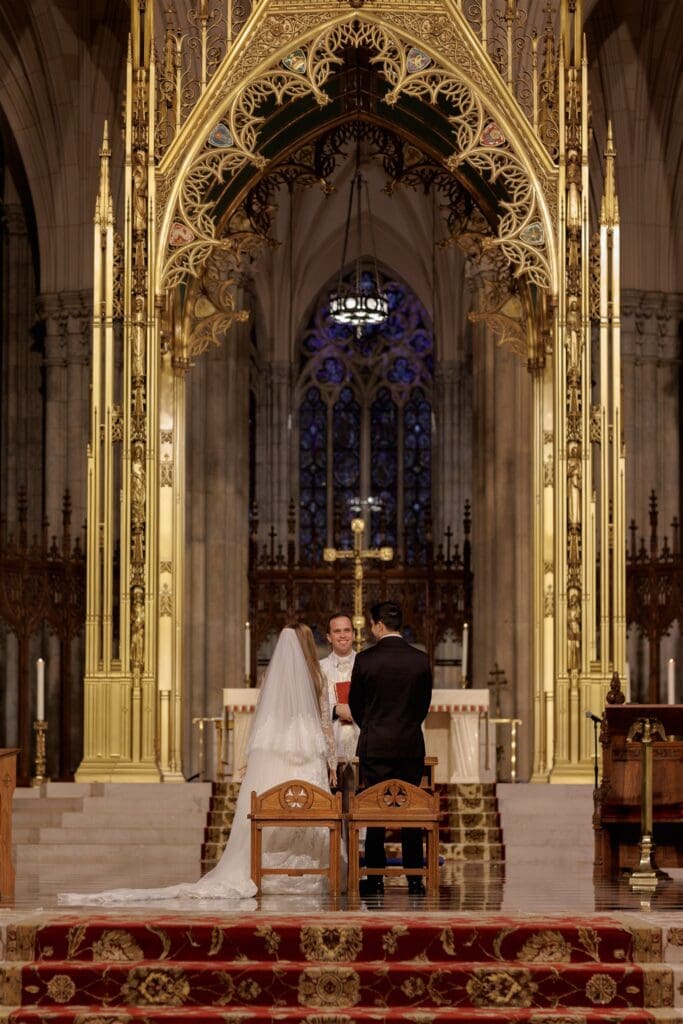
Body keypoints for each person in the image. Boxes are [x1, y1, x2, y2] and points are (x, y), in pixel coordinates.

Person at [59, 623, 337, 904]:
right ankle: (309, 873)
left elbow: (261, 719)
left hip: (273, 748)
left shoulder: (271, 676)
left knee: (270, 805)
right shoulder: (318, 676)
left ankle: (266, 870)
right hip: (308, 747)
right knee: (307, 806)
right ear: (310, 644)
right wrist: (332, 760)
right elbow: (325, 722)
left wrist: (248, 760)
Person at [348, 600, 432, 896]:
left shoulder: (366, 660)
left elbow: (355, 704)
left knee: (374, 810)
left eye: (372, 625)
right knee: (409, 809)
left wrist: (372, 727)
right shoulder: (420, 660)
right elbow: (423, 705)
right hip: (410, 745)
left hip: (376, 745)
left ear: (379, 625)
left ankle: (375, 879)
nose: (371, 629)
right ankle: (413, 878)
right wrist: (406, 728)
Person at [320, 611, 359, 803]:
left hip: (361, 740)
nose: (342, 635)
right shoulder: (319, 669)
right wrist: (335, 710)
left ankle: (359, 835)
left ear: (354, 634)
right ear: (328, 637)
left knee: (360, 802)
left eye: (347, 630)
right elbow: (311, 707)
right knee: (332, 802)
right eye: (337, 631)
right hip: (331, 743)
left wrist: (357, 711)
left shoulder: (366, 664)